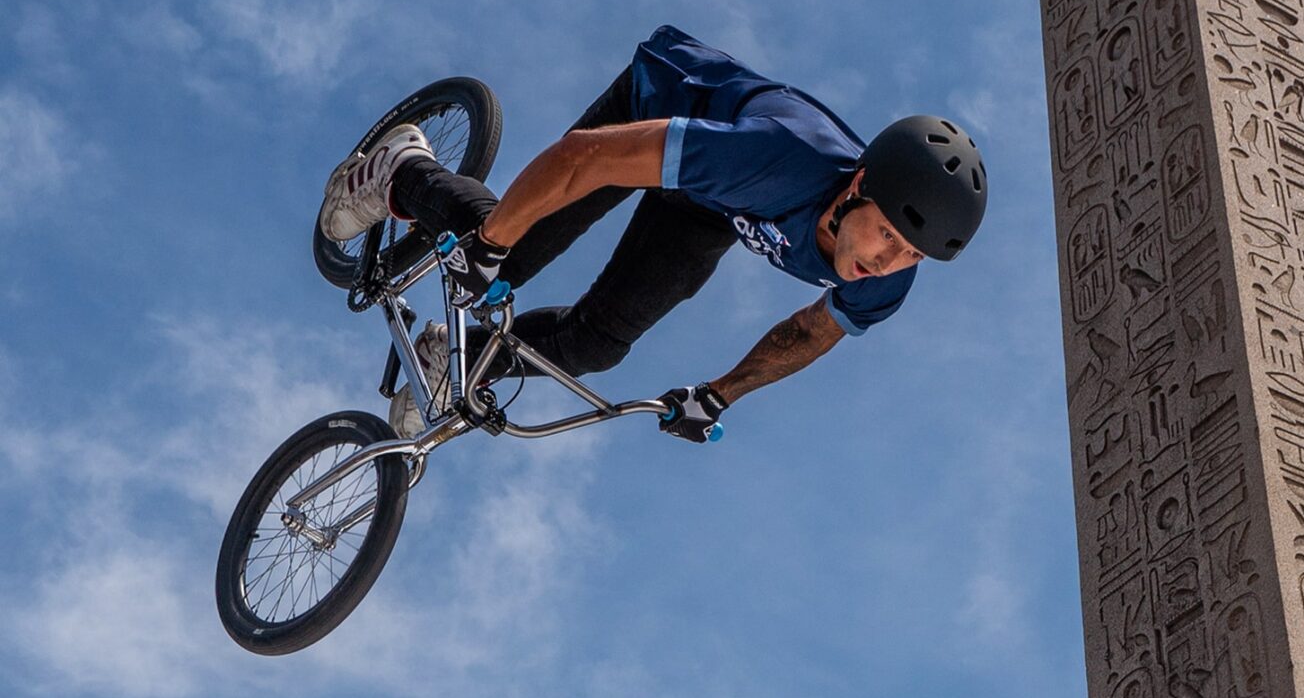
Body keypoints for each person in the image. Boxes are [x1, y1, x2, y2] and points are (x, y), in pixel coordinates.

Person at [319, 26, 987, 441]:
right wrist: (491, 247)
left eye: (911, 254)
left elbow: (811, 332)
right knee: (508, 252)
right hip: (659, 111)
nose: (889, 260)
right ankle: (401, 170)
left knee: (597, 344)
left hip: (711, 207)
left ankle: (454, 353)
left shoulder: (887, 277)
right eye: (889, 236)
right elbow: (585, 157)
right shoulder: (774, 159)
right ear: (857, 186)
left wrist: (719, 394)